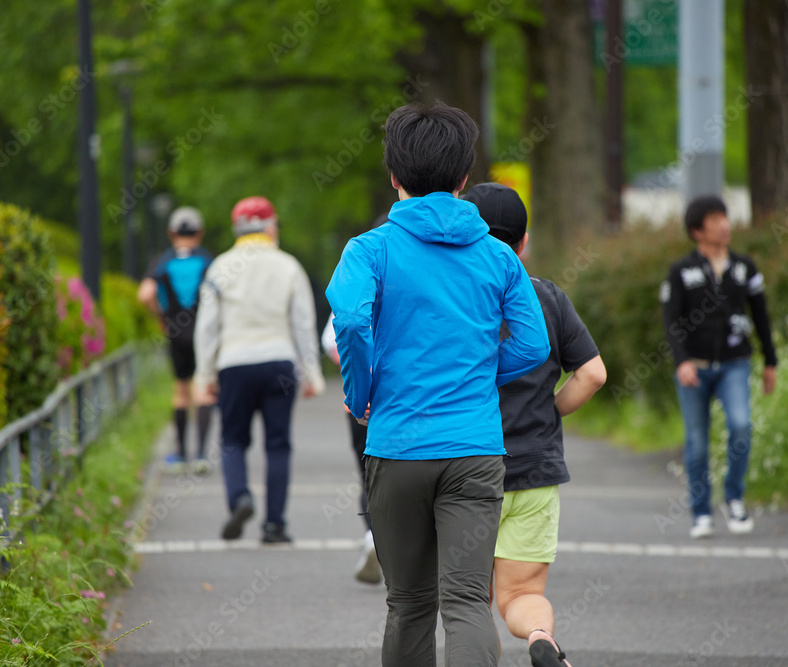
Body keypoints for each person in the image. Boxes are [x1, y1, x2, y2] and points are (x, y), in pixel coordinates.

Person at [326, 101, 551, 667]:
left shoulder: (369, 250)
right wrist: (475, 374)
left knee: (407, 603)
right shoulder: (499, 255)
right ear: (464, 179)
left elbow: (350, 322)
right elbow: (534, 344)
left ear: (394, 175)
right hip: (475, 448)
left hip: (397, 443)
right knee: (468, 602)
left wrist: (364, 394)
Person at [463, 183, 607, 667]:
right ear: (524, 243)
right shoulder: (547, 298)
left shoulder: (456, 298)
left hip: (468, 467)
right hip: (535, 474)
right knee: (522, 593)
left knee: (469, 602)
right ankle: (542, 638)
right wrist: (552, 408)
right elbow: (593, 374)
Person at [193, 196, 325, 544]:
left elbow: (207, 327)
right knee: (278, 444)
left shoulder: (219, 267)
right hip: (278, 362)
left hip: (233, 363)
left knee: (233, 439)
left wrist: (204, 376)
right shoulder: (288, 266)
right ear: (269, 227)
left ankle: (240, 497)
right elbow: (303, 323)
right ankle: (274, 524)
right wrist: (311, 373)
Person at [661, 195, 777, 539]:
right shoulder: (681, 271)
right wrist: (681, 362)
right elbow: (671, 322)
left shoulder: (745, 267)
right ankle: (701, 513)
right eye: (715, 220)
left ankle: (734, 498)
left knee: (741, 425)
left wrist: (770, 361)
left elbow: (762, 316)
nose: (724, 224)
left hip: (734, 365)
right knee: (696, 442)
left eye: (725, 217)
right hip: (693, 369)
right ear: (697, 231)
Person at [137, 206, 215, 475]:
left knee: (181, 390)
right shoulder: (207, 261)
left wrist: (161, 316)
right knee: (203, 388)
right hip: (203, 334)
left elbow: (145, 294)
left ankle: (180, 454)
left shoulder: (163, 262)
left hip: (175, 333)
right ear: (200, 232)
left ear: (172, 233)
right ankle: (202, 454)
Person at [322, 313, 381, 585]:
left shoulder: (358, 276)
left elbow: (332, 339)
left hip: (360, 402)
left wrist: (353, 365)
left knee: (369, 475)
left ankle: (372, 536)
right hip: (405, 400)